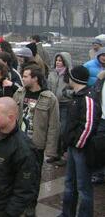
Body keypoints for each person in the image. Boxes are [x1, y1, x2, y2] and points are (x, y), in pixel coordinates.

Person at [13, 65, 60, 215]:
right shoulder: (19, 93)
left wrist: (50, 151)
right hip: (18, 141)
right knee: (15, 174)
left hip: (36, 145)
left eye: (26, 76)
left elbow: (54, 126)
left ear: (35, 78)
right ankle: (16, 202)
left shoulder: (49, 98)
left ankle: (30, 205)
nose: (23, 79)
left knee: (33, 177)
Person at [60, 66, 98, 217]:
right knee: (70, 183)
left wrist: (77, 144)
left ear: (74, 78)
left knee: (83, 187)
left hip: (81, 148)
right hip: (73, 146)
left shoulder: (87, 97)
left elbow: (88, 125)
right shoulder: (77, 96)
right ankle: (67, 213)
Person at [47, 52, 73, 166]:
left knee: (63, 130)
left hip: (65, 105)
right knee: (55, 129)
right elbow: (48, 87)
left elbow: (75, 90)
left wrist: (65, 93)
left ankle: (64, 153)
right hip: (54, 104)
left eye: (60, 60)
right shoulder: (52, 74)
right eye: (57, 60)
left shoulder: (70, 74)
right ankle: (55, 153)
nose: (58, 62)